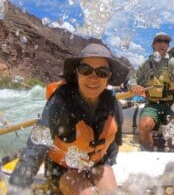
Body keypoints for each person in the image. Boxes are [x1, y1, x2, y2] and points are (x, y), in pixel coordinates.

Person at [9, 43, 129, 194]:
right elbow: (35, 149)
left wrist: (102, 166)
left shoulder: (114, 105)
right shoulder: (60, 102)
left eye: (102, 72)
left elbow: (113, 147)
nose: (93, 78)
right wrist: (16, 190)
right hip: (63, 169)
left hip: (96, 163)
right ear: (77, 73)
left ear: (109, 77)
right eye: (85, 70)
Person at [128, 32, 174, 150]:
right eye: (159, 41)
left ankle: (171, 155)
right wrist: (134, 85)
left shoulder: (173, 63)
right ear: (153, 45)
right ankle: (150, 152)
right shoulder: (146, 64)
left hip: (173, 104)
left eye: (166, 42)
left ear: (168, 46)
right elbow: (132, 78)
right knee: (144, 126)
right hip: (152, 105)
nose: (163, 44)